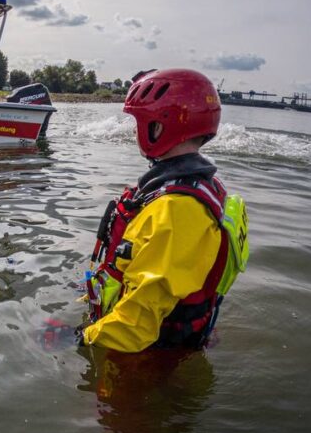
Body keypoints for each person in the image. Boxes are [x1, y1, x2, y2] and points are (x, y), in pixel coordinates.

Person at [72, 68, 249, 353]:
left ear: (159, 127)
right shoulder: (196, 188)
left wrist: (74, 339)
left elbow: (135, 326)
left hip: (145, 358)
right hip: (142, 340)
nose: (134, 131)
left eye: (139, 122)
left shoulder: (177, 211)